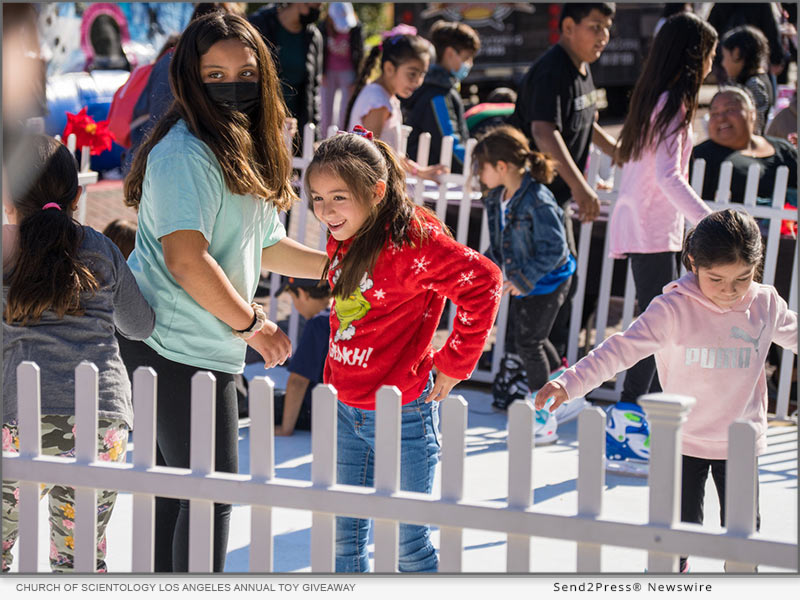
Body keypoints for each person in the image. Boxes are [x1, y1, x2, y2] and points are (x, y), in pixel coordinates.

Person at [119, 12, 327, 572]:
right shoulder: (185, 153)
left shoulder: (239, 144)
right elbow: (186, 260)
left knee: (182, 493)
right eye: (215, 75)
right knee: (208, 495)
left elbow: (263, 244)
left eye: (246, 73)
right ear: (190, 79)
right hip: (171, 345)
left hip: (201, 341)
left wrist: (337, 265)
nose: (232, 86)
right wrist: (254, 326)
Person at [535, 209, 797, 573]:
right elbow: (621, 349)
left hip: (740, 441)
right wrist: (571, 381)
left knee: (743, 540)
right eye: (716, 279)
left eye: (742, 277)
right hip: (683, 440)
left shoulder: (765, 303)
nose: (729, 290)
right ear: (693, 263)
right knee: (676, 536)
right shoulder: (672, 308)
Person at [306, 127, 502, 572]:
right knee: (343, 542)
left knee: (406, 546)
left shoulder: (413, 239)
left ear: (376, 192)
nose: (326, 210)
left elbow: (484, 281)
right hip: (345, 407)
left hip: (402, 412)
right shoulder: (346, 230)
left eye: (338, 197)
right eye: (317, 198)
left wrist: (455, 362)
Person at [2, 134, 155, 572]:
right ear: (78, 197)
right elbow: (140, 325)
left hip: (20, 419)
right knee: (79, 556)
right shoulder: (101, 248)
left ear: (9, 203)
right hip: (100, 421)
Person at [608, 13, 717, 457]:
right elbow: (668, 176)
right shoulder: (673, 104)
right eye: (709, 53)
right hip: (652, 228)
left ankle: (640, 421)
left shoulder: (655, 98)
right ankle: (626, 422)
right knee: (656, 327)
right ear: (694, 55)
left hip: (648, 225)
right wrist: (709, 221)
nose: (711, 63)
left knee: (657, 324)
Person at [510, 2, 618, 364]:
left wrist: (616, 150)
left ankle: (549, 363)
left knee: (561, 281)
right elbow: (544, 132)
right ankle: (524, 365)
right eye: (595, 27)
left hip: (553, 199)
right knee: (545, 285)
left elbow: (585, 120)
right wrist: (580, 186)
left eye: (607, 27)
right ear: (568, 27)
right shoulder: (552, 70)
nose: (603, 36)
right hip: (534, 199)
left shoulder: (581, 68)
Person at [472, 125, 574, 443]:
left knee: (528, 342)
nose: (478, 174)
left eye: (481, 167)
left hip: (549, 279)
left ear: (501, 166)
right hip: (526, 279)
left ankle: (543, 418)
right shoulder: (497, 197)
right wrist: (478, 267)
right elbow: (501, 245)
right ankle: (567, 392)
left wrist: (521, 279)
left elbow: (556, 249)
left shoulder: (538, 200)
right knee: (532, 338)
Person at [345, 33, 445, 179]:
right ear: (389, 68)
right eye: (412, 74)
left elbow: (391, 153)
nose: (418, 81)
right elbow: (368, 154)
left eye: (422, 74)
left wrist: (418, 171)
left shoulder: (384, 97)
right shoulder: (378, 102)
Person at [691, 86, 797, 203]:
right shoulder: (698, 157)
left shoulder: (784, 148)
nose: (721, 118)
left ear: (752, 113)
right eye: (714, 113)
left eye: (729, 110)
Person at [404, 20, 481, 174]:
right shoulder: (438, 95)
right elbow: (450, 143)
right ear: (450, 53)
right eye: (466, 58)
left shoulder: (433, 86)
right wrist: (477, 170)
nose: (470, 64)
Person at [249, 2, 323, 146]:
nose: (319, 8)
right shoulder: (259, 25)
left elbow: (313, 90)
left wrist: (315, 137)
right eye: (315, 6)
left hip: (296, 127)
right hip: (261, 121)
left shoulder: (313, 36)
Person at [273, 276, 332, 436]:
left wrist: (286, 428)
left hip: (316, 411)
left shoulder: (318, 324)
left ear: (303, 294)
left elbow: (298, 381)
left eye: (293, 299)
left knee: (264, 400)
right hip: (344, 409)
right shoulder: (341, 317)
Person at [720, 25, 774, 134]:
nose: (723, 63)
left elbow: (756, 126)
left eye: (725, 57)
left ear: (736, 53)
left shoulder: (754, 84)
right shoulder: (757, 79)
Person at [319, 2, 363, 135]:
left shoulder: (356, 28)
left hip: (348, 71)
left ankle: (343, 135)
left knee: (345, 109)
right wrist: (321, 72)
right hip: (328, 72)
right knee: (326, 109)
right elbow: (319, 52)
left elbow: (359, 52)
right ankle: (325, 137)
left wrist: (357, 78)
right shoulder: (323, 27)